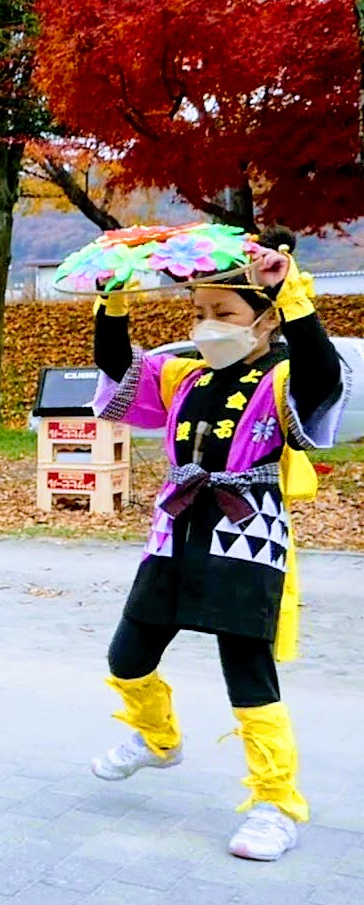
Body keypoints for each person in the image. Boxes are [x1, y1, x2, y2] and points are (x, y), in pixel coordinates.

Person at [88, 228, 346, 863]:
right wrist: (112, 300)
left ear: (265, 320)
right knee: (127, 655)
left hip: (247, 530)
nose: (207, 325)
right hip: (175, 526)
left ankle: (275, 804)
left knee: (247, 672)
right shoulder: (184, 376)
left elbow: (322, 374)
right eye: (199, 311)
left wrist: (293, 294)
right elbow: (118, 365)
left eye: (224, 313)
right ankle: (156, 738)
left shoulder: (282, 378)